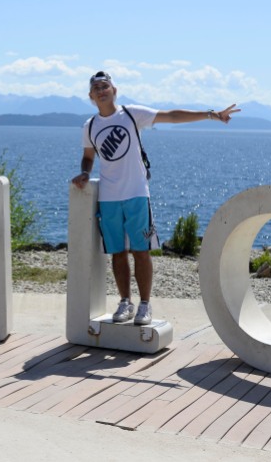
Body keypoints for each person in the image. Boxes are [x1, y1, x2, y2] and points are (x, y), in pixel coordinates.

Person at [72, 71, 240, 326]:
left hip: (137, 194)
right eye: (97, 87)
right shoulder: (90, 126)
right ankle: (125, 302)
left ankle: (144, 305)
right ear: (91, 96)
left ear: (114, 90)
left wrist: (211, 114)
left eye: (105, 86)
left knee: (141, 252)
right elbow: (88, 155)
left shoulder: (131, 114)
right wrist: (85, 172)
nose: (102, 90)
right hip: (108, 197)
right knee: (117, 253)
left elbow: (170, 116)